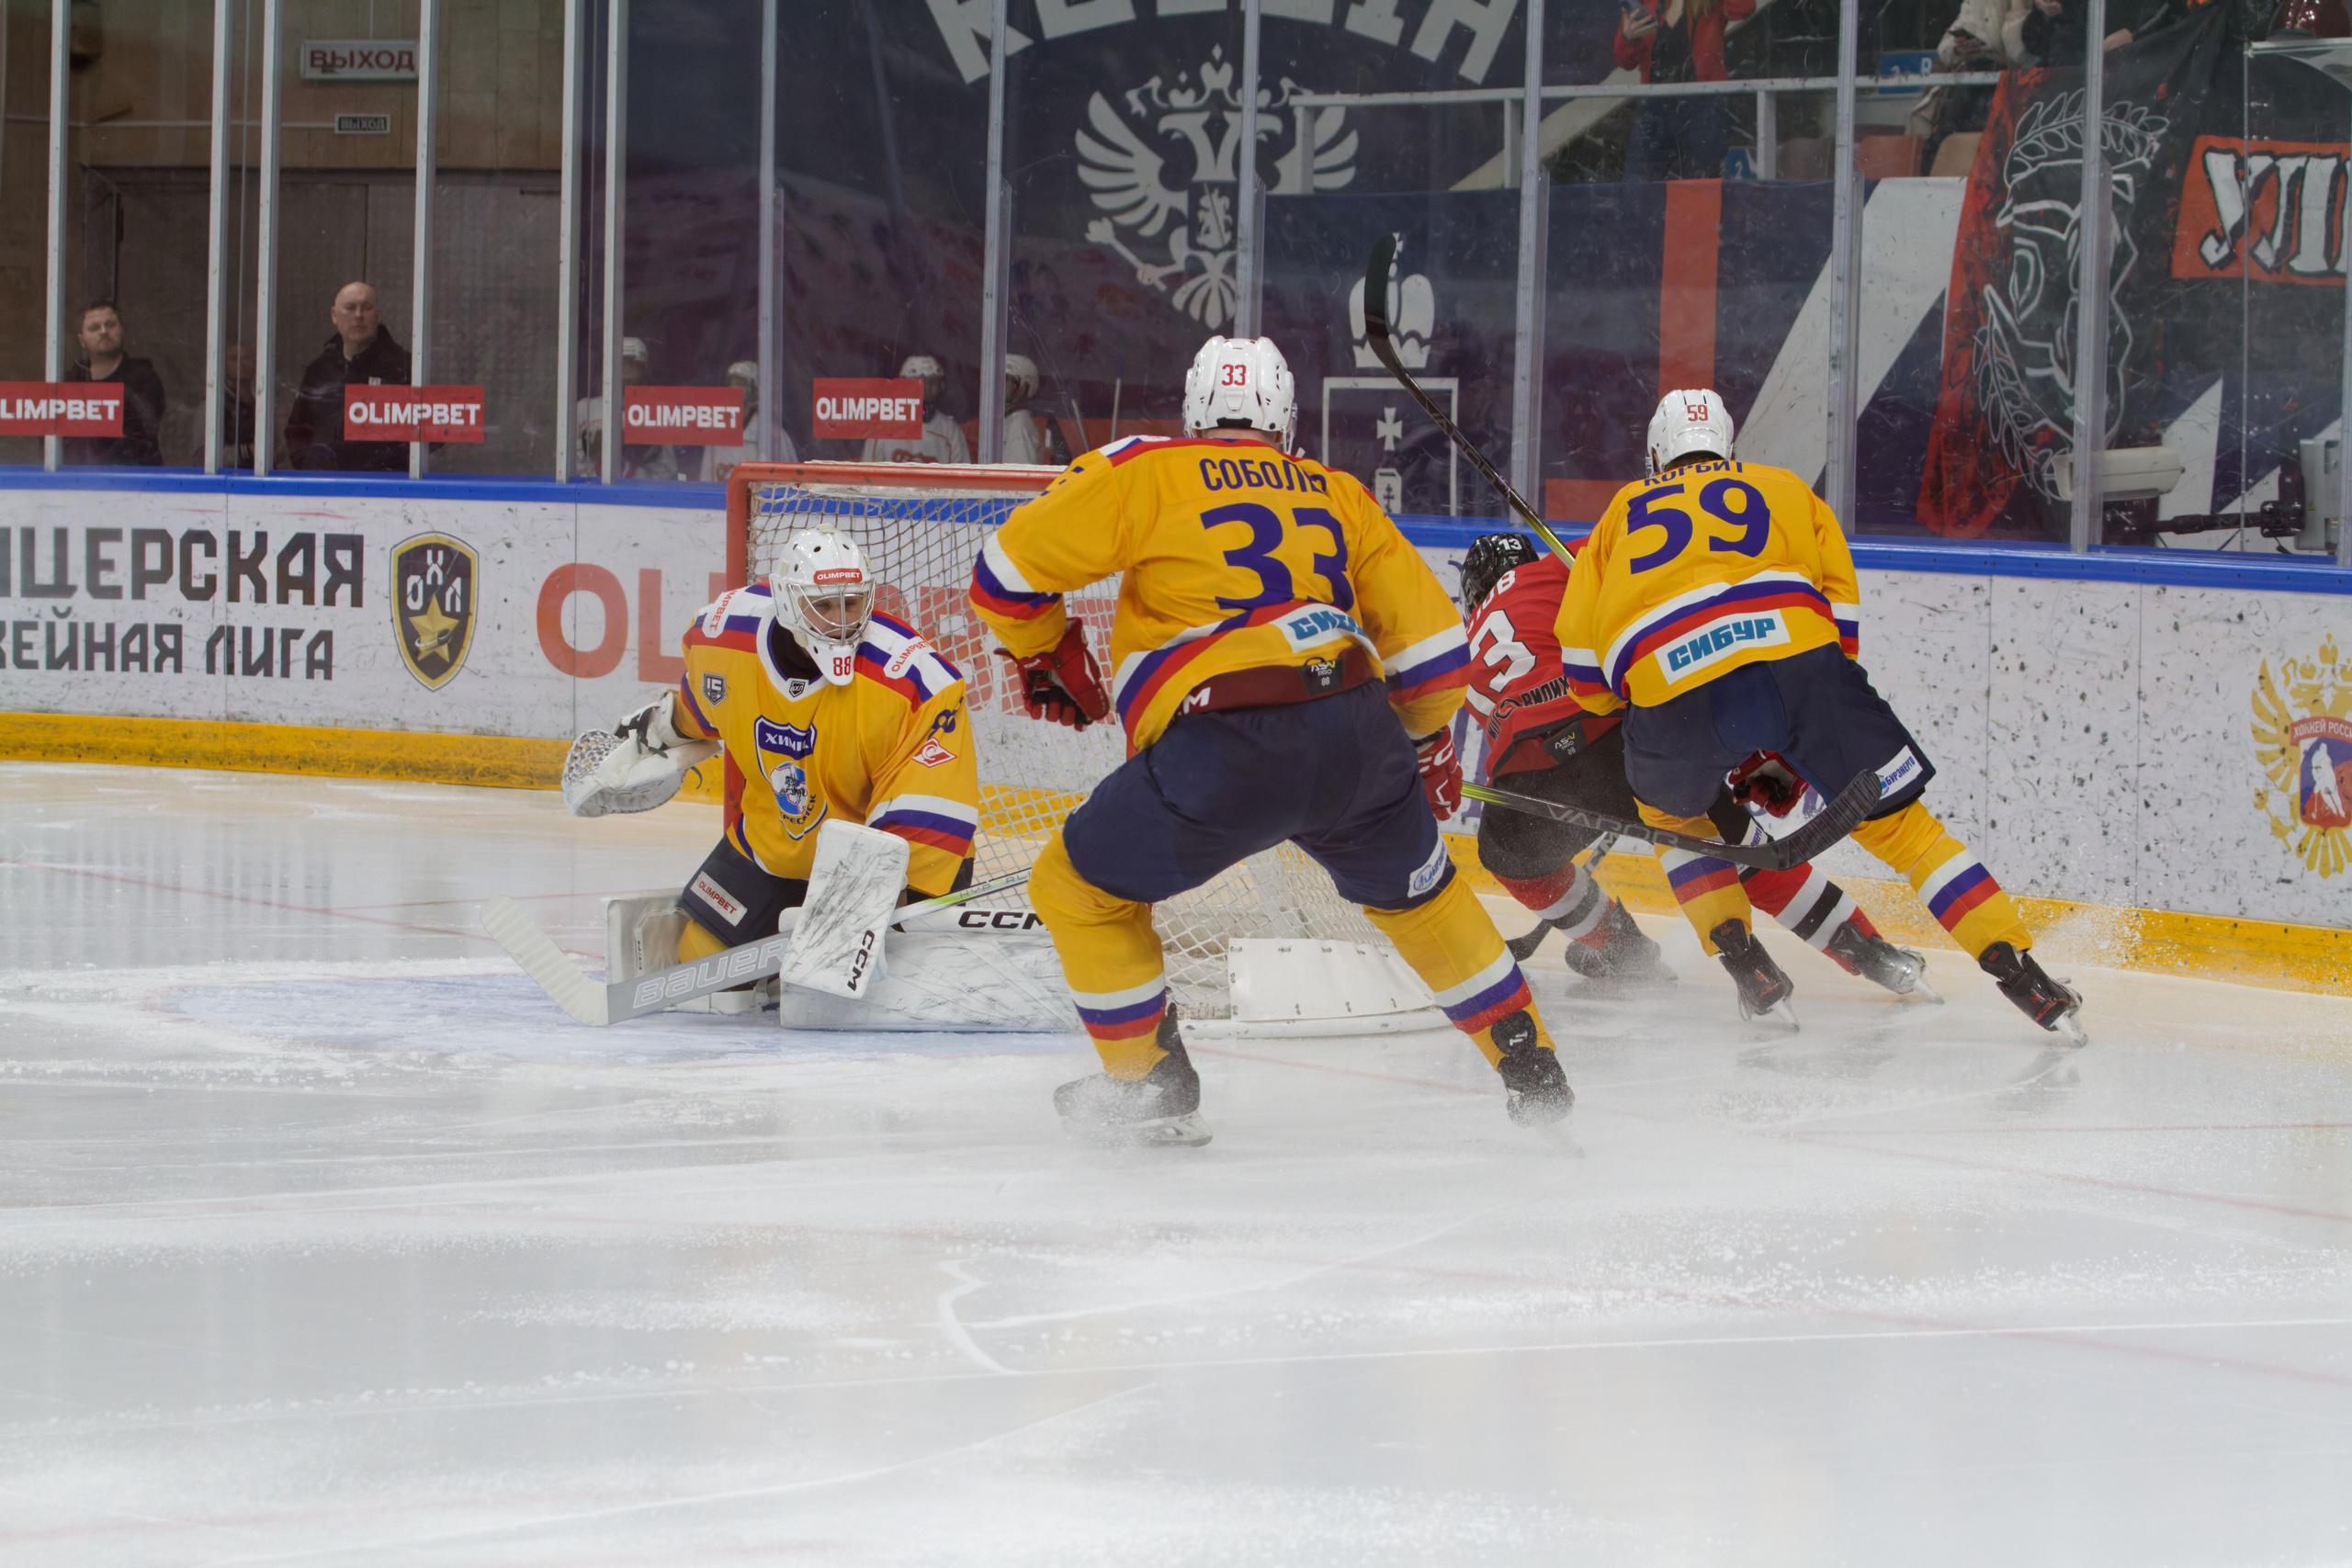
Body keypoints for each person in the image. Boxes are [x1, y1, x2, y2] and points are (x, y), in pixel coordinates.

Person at [967, 334, 1571, 1147]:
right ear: (1287, 423)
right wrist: (1420, 752)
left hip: (1225, 741)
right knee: (1424, 903)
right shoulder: (1339, 492)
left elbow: (1001, 577)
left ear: (1193, 415)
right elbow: (1435, 663)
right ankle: (1531, 1063)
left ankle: (1151, 1079)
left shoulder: (1144, 469)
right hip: (1357, 727)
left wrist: (1046, 646)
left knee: (1077, 888)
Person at [1555, 389, 2086, 1039]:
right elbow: (1842, 629)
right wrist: (1795, 726)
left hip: (1673, 694)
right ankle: (2021, 972)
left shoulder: (1616, 520)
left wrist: (1653, 701)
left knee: (1676, 818)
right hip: (1798, 668)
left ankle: (1747, 964)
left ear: (1655, 457)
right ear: (1731, 450)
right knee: (1909, 834)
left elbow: (1586, 679)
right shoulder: (1785, 490)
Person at [1458, 531, 1934, 1011]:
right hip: (1613, 740)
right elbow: (1623, 545)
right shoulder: (1559, 567)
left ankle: (1621, 950)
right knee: (1739, 850)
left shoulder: (1469, 653)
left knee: (1512, 861)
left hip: (1531, 779)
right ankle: (1867, 949)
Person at [566, 528, 978, 973]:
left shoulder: (917, 683)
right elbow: (704, 705)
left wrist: (859, 912)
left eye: (851, 603)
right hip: (774, 846)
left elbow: (928, 818)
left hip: (888, 865)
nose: (840, 620)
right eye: (823, 606)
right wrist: (657, 732)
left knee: (859, 992)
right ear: (787, 602)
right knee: (701, 966)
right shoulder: (724, 638)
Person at [1615, 0, 1756, 182]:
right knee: (1639, 190)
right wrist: (1628, 37)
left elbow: (1744, 7)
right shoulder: (1646, 2)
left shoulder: (1709, 4)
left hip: (1704, 108)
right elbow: (1625, 61)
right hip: (1654, 108)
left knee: (1699, 191)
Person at [285, 281, 412, 471]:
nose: (358, 316)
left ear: (378, 316)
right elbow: (297, 431)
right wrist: (309, 463)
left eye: (367, 308)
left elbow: (424, 437)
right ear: (334, 315)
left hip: (385, 490)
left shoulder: (403, 369)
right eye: (350, 308)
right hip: (323, 487)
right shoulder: (319, 371)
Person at [61, 300, 164, 467]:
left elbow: (138, 439)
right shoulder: (70, 382)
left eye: (110, 325)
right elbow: (51, 439)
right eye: (94, 328)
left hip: (131, 481)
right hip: (74, 481)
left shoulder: (142, 380)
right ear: (81, 339)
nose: (103, 332)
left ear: (122, 330)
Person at [575, 337, 681, 480]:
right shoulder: (584, 408)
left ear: (643, 371)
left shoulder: (656, 412)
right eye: (622, 365)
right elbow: (566, 467)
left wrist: (648, 452)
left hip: (638, 496)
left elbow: (669, 473)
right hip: (593, 495)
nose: (626, 371)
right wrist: (590, 452)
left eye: (633, 365)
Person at [698, 360, 797, 482]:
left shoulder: (773, 436)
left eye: (739, 384)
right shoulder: (717, 433)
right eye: (731, 383)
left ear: (754, 391)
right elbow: (706, 482)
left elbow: (789, 486)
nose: (733, 389)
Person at [863, 355, 970, 465]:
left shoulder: (950, 430)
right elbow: (867, 476)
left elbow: (961, 477)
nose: (925, 388)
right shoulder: (883, 429)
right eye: (917, 382)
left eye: (932, 382)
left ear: (940, 385)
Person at [1001, 354, 1072, 468]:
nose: (998, 389)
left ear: (1023, 389)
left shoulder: (1019, 428)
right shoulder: (1009, 423)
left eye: (1006, 381)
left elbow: (1018, 480)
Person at [219, 343, 259, 470]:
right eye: (235, 358)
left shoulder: (263, 404)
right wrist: (247, 451)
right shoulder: (215, 405)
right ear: (223, 365)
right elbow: (202, 456)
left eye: (247, 358)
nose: (241, 363)